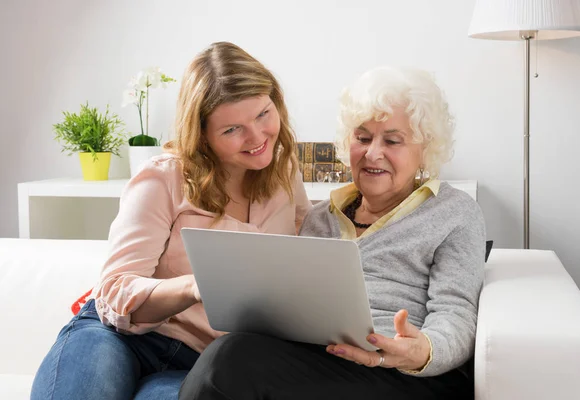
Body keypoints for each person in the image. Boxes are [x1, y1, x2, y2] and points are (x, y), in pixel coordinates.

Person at [179, 66, 486, 399]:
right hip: (321, 361)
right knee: (229, 352)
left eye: (393, 141)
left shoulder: (454, 212)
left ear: (425, 149)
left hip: (403, 372)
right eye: (363, 138)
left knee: (228, 361)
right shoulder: (320, 217)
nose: (373, 153)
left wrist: (421, 350)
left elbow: (457, 312)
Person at [30, 41, 312, 400]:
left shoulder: (286, 174)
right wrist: (196, 286)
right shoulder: (164, 178)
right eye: (232, 130)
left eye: (262, 114)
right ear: (203, 135)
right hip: (114, 336)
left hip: (201, 362)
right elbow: (115, 290)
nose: (257, 137)